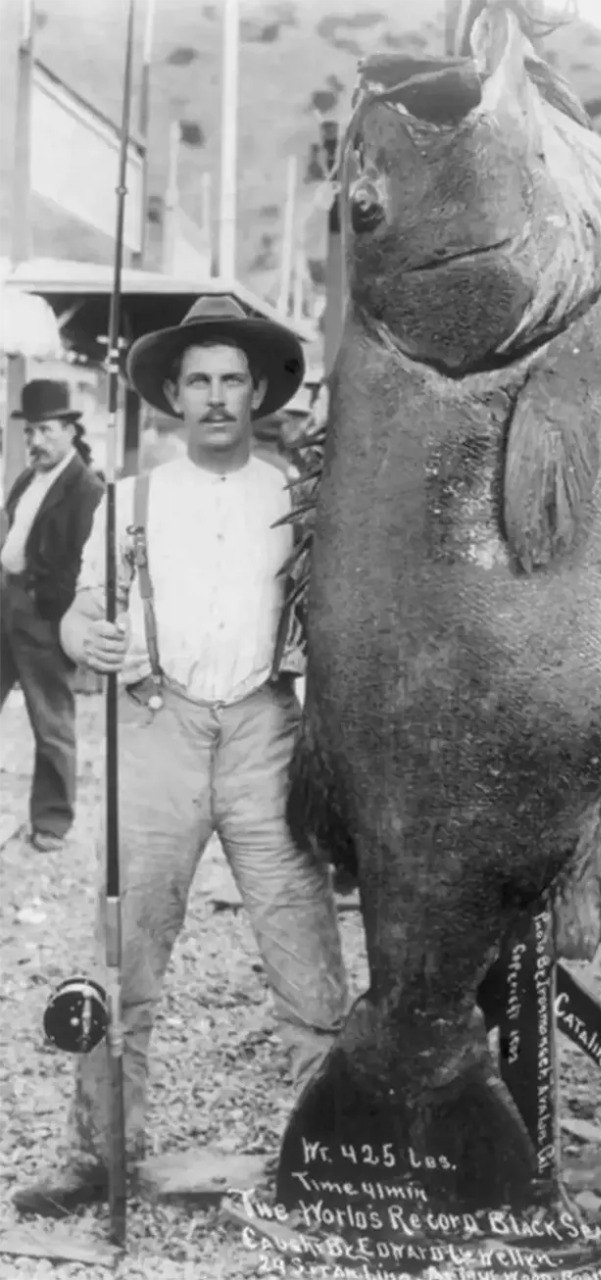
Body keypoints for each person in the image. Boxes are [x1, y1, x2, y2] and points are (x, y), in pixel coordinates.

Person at [14, 295, 349, 1217]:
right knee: (127, 946)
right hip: (156, 729)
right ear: (171, 393)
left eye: (231, 380)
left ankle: (337, 1149)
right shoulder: (130, 497)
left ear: (257, 393)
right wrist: (92, 640)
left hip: (262, 732)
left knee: (301, 940)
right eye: (196, 380)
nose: (213, 397)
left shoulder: (293, 493)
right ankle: (98, 1154)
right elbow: (79, 611)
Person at [1, 380, 104, 852]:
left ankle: (52, 823)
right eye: (29, 432)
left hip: (44, 614)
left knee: (51, 721)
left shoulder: (86, 489)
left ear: (67, 431)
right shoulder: (28, 477)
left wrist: (49, 607)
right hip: (6, 603)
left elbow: (83, 564)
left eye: (44, 431)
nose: (35, 441)